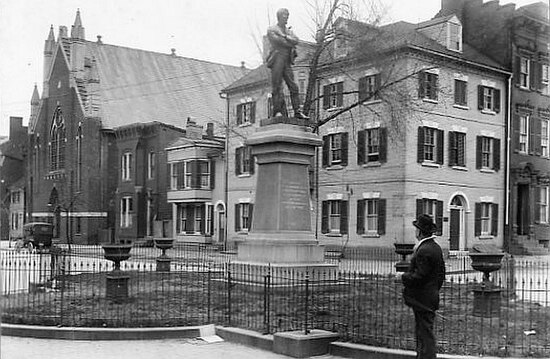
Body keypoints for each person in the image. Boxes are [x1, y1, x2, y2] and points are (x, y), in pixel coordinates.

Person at [401, 214, 446, 359]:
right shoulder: (436, 248)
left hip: (422, 300)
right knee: (423, 333)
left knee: (424, 335)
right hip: (430, 297)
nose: (415, 232)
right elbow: (440, 276)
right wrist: (433, 289)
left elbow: (419, 276)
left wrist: (403, 277)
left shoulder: (424, 250)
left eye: (416, 229)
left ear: (420, 232)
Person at [266, 8, 309, 120]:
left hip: (287, 60)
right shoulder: (272, 29)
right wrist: (288, 41)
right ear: (279, 16)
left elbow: (296, 41)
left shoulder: (288, 31)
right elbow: (277, 41)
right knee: (277, 86)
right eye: (284, 15)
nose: (286, 17)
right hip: (277, 59)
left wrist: (285, 37)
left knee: (293, 86)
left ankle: (297, 111)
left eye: (287, 16)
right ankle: (277, 111)